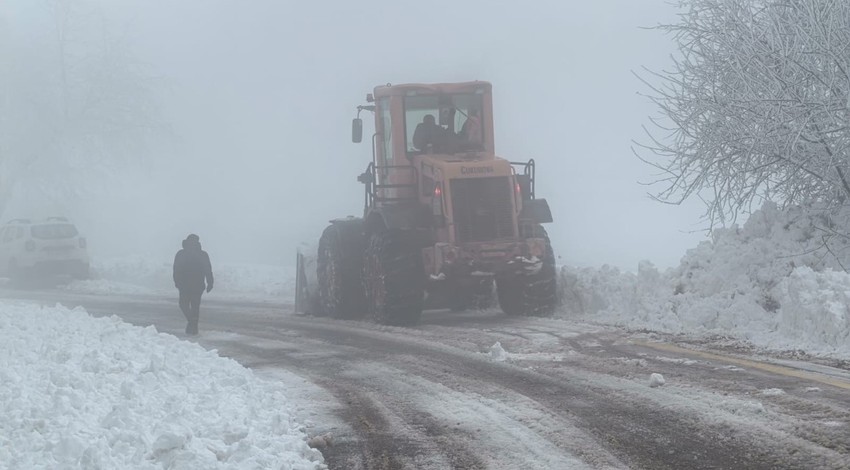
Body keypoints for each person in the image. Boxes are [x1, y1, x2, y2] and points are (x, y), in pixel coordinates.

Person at [172, 233, 213, 335]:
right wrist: (177, 282)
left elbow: (207, 269)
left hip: (194, 285)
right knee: (187, 306)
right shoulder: (182, 254)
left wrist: (210, 282)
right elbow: (176, 269)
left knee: (191, 306)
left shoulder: (201, 254)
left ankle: (193, 327)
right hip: (188, 285)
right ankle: (192, 324)